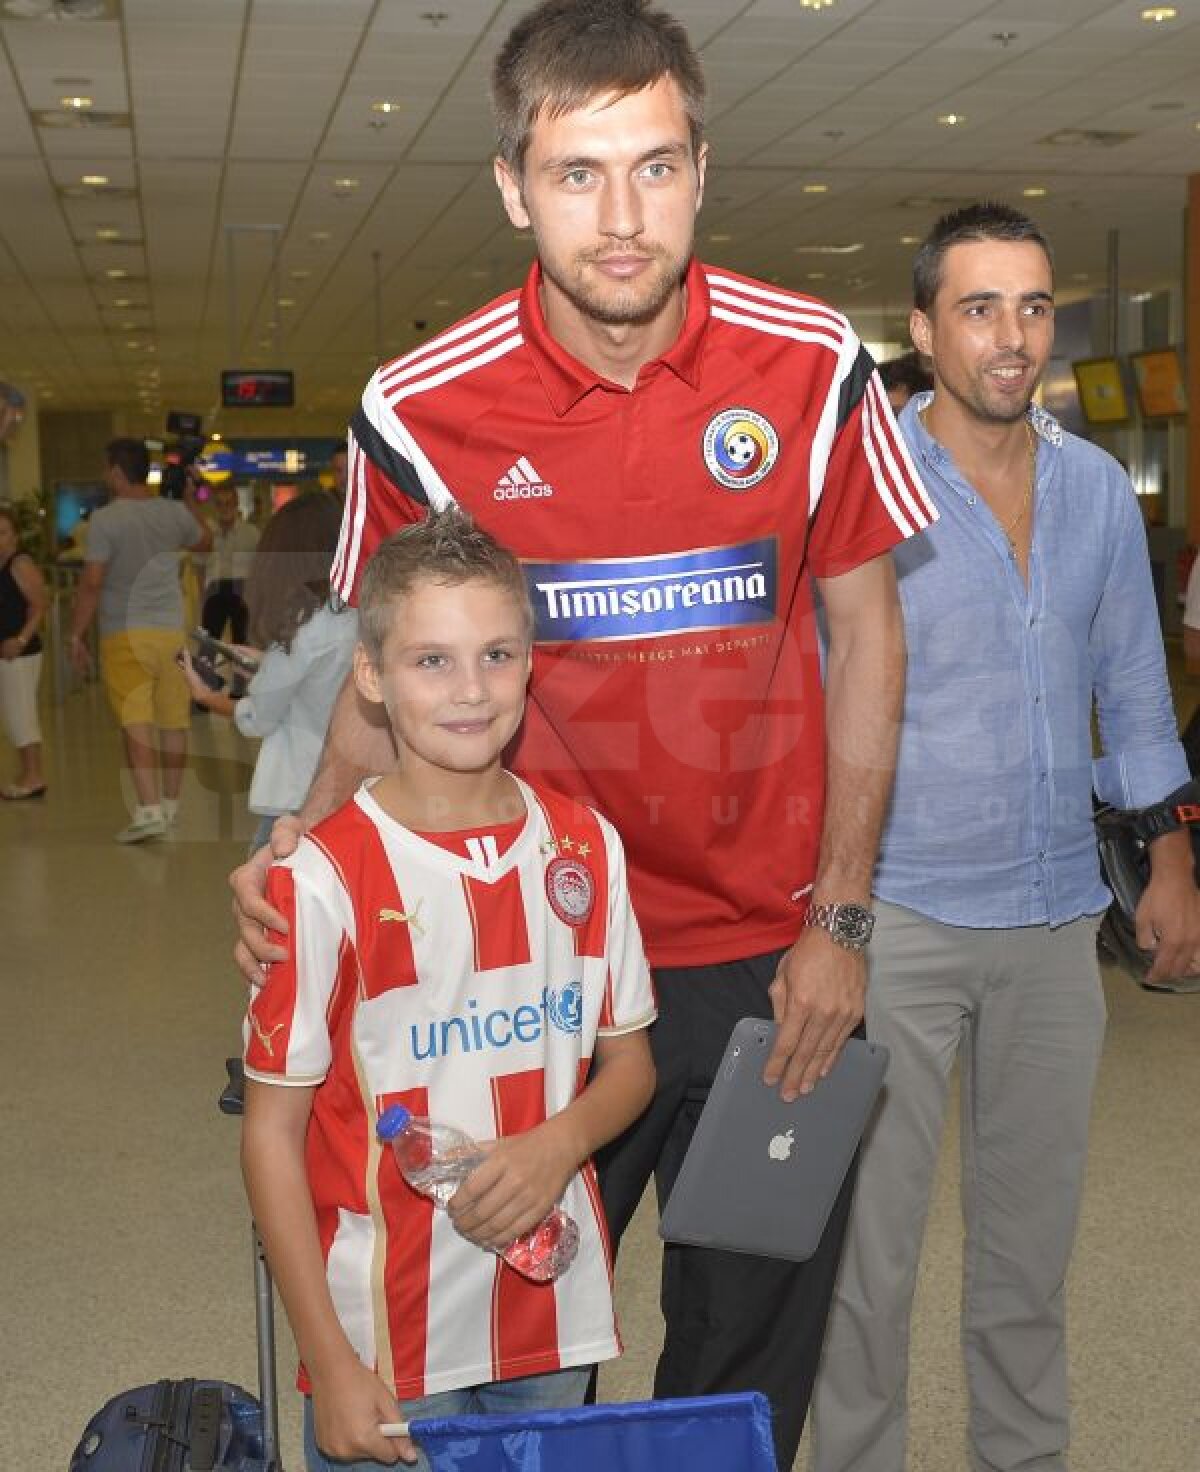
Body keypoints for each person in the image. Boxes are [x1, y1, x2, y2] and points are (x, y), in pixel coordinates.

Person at [233, 2, 937, 1461]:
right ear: (512, 184)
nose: (621, 219)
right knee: (508, 1366)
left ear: (701, 167)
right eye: (576, 173)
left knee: (746, 1362)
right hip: (525, 978)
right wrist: (299, 844)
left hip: (770, 966)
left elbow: (870, 635)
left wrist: (845, 922)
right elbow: (390, 667)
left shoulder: (812, 367)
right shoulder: (421, 405)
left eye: (656, 168)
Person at [810, 203, 1200, 1472]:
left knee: (1031, 1244)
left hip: (1049, 919)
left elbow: (1133, 682)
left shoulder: (1091, 488)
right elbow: (814, 695)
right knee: (871, 1250)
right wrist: (827, 914)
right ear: (923, 330)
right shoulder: (863, 487)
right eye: (980, 308)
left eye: (1033, 306)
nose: (1012, 335)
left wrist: (1171, 854)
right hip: (902, 917)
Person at [241, 508, 657, 1471]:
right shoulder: (324, 876)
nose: (470, 691)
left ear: (530, 662)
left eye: (497, 654)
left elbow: (630, 1063)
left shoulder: (586, 847)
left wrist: (560, 1143)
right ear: (372, 676)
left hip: (557, 1310)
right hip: (388, 1337)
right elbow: (271, 1135)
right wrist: (329, 1360)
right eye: (431, 661)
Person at [181, 493, 357, 851]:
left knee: (263, 895)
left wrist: (209, 698)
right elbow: (325, 672)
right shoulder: (355, 611)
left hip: (297, 792)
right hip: (355, 783)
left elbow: (258, 717)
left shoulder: (299, 628)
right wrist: (267, 661)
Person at [68, 437, 211, 842]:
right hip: (170, 633)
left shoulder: (105, 521)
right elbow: (205, 542)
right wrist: (188, 502)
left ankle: (148, 812)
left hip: (124, 634)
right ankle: (171, 807)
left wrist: (76, 633)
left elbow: (93, 582)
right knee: (173, 723)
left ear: (116, 472)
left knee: (137, 722)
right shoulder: (173, 513)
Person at [0, 505, 48, 799]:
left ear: (14, 537)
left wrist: (19, 640)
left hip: (20, 652)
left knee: (21, 714)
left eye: (2, 532)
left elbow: (39, 605)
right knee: (13, 715)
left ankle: (33, 775)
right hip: (5, 652)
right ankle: (28, 772)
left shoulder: (19, 564)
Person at [197, 481, 260, 652]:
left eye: (228, 503)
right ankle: (206, 677)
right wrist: (202, 596)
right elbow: (200, 567)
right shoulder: (207, 533)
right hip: (214, 589)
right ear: (214, 506)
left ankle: (243, 678)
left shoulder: (251, 533)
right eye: (219, 503)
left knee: (242, 643)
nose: (224, 508)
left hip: (241, 591)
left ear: (236, 503)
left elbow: (258, 568)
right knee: (208, 643)